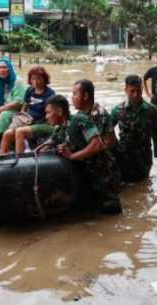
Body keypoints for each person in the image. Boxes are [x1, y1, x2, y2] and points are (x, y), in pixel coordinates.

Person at [58, 79, 121, 214]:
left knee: (110, 213)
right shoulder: (80, 116)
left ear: (85, 96)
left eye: (75, 94)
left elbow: (106, 143)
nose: (72, 98)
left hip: (104, 171)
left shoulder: (99, 114)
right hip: (91, 170)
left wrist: (73, 155)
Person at [111, 75, 157, 182]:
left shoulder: (151, 110)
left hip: (144, 158)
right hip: (124, 156)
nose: (136, 95)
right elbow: (107, 132)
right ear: (125, 90)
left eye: (139, 91)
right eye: (132, 91)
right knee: (125, 185)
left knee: (143, 185)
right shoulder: (117, 110)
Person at [0, 66, 55, 155]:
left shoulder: (50, 94)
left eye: (38, 79)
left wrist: (30, 123)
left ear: (44, 79)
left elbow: (50, 114)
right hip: (27, 120)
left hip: (41, 122)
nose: (35, 82)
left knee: (20, 132)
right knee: (7, 134)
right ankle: (3, 157)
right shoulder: (30, 90)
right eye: (33, 79)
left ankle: (20, 160)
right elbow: (25, 106)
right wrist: (21, 117)